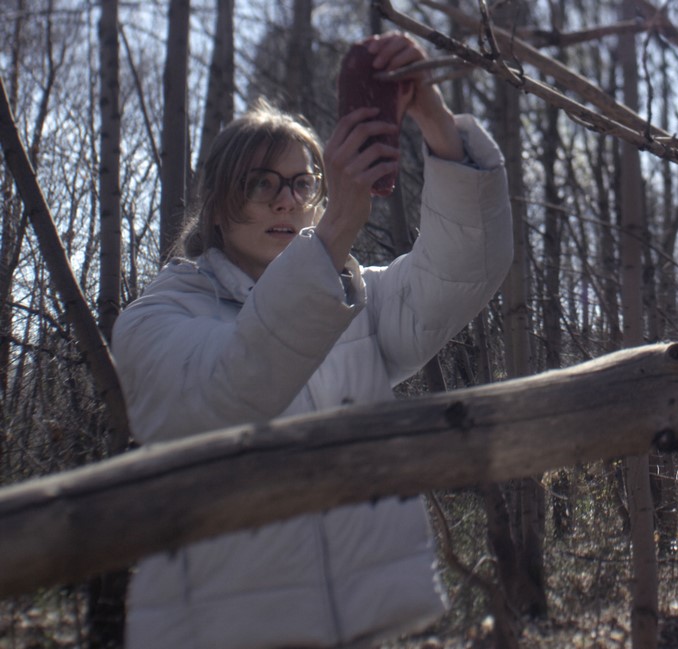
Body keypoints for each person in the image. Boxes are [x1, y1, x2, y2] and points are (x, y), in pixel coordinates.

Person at [111, 32, 513, 649]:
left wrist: (431, 118)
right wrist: (333, 236)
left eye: (303, 184)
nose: (287, 200)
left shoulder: (352, 302)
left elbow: (463, 272)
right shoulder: (156, 317)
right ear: (217, 205)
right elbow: (222, 395)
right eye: (260, 183)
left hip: (360, 625)